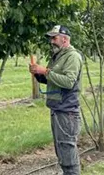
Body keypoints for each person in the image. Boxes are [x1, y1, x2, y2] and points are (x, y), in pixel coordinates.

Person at [29, 25, 83, 175]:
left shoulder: (72, 56)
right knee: (61, 151)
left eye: (54, 38)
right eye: (50, 38)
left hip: (67, 112)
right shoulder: (58, 56)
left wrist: (45, 71)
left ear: (64, 39)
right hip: (57, 110)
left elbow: (68, 82)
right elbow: (52, 79)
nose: (51, 41)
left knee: (68, 153)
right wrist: (37, 74)